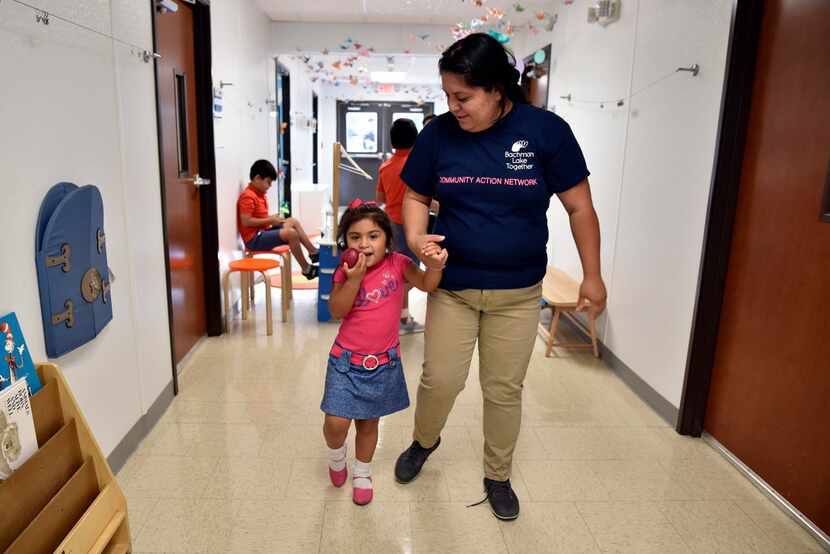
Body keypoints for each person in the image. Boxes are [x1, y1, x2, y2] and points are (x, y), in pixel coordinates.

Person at [394, 33, 608, 521]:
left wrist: (591, 276)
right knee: (440, 380)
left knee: (503, 388)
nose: (453, 107)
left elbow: (579, 207)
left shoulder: (546, 132)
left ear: (497, 90)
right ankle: (424, 442)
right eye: (448, 95)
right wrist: (415, 239)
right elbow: (414, 197)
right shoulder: (438, 134)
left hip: (517, 293)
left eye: (463, 97)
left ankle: (498, 474)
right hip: (454, 288)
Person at [321, 199, 447, 505]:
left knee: (369, 424)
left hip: (383, 363)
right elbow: (337, 310)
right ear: (346, 241)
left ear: (388, 240)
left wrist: (435, 266)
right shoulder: (346, 269)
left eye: (373, 236)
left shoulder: (399, 265)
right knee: (336, 424)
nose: (364, 244)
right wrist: (353, 280)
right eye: (355, 237)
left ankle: (362, 472)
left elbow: (428, 285)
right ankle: (337, 456)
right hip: (345, 362)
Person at [376, 118, 425, 334]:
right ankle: (401, 317)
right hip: (412, 224)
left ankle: (399, 314)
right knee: (410, 273)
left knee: (399, 269)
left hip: (391, 224)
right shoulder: (418, 164)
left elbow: (379, 198)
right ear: (416, 137)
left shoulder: (385, 166)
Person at [237, 159, 319, 280]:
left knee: (292, 221)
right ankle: (306, 269)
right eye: (268, 182)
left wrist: (272, 218)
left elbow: (260, 218)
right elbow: (246, 221)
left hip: (262, 232)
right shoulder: (247, 196)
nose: (270, 186)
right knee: (291, 234)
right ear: (257, 178)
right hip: (254, 240)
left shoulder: (259, 194)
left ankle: (313, 252)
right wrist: (270, 221)